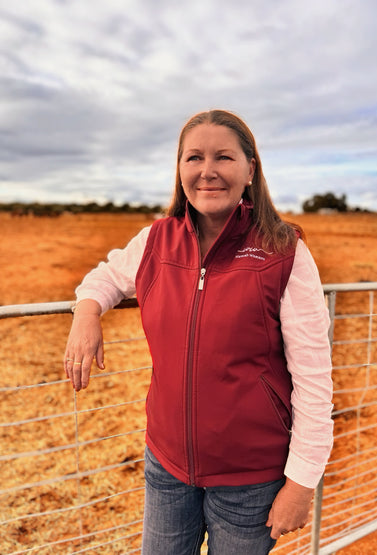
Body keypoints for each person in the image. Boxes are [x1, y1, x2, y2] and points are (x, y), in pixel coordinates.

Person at [64, 109, 333, 554]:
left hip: (250, 482)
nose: (207, 171)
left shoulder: (284, 251)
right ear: (180, 171)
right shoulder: (156, 240)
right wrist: (86, 313)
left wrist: (301, 483)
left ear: (250, 170)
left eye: (223, 157)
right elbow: (105, 277)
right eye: (193, 158)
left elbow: (314, 379)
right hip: (166, 467)